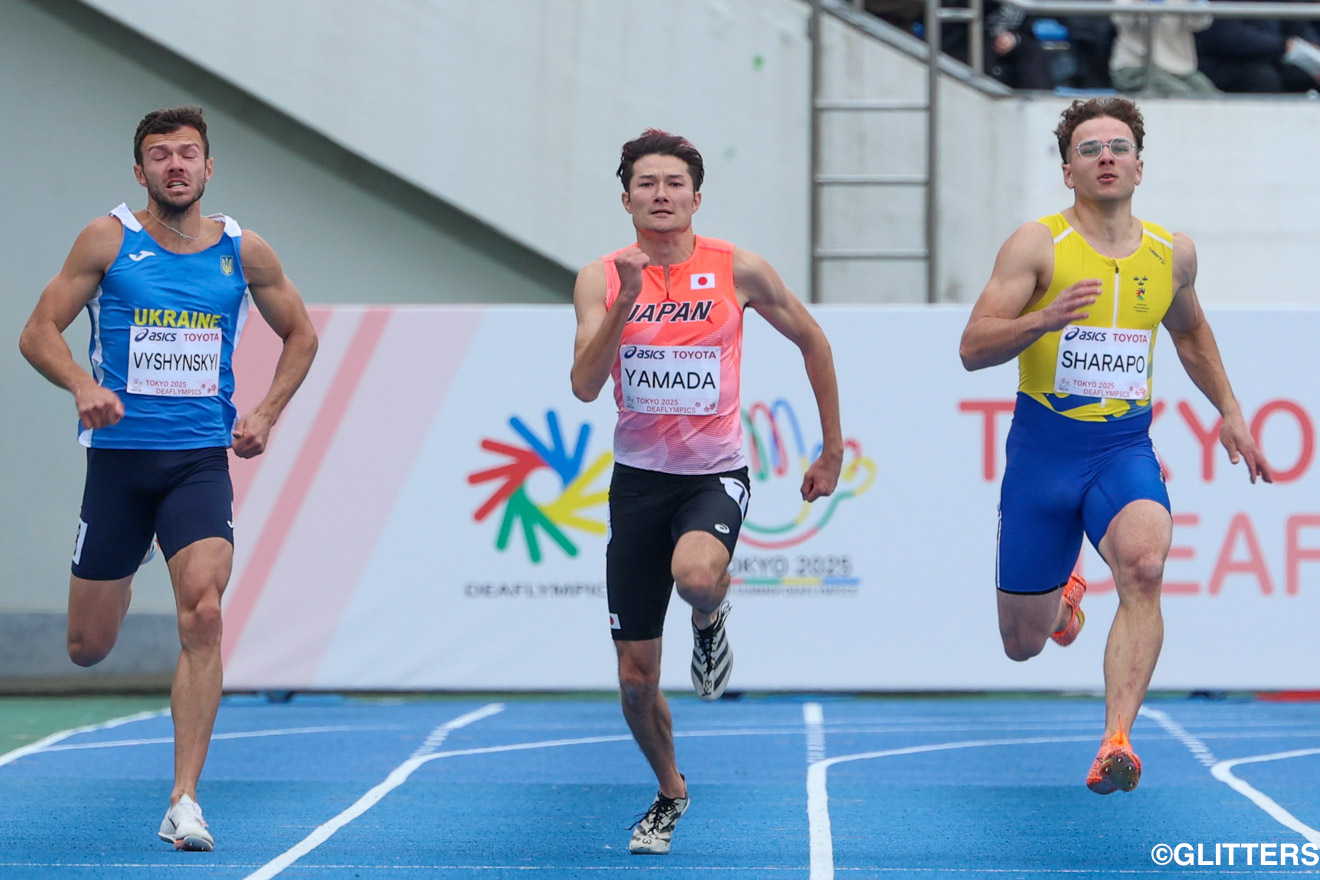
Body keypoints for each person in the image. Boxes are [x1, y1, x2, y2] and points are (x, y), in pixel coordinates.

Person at [19, 106, 318, 851]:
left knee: (205, 613)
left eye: (188, 154)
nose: (176, 166)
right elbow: (37, 331)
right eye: (160, 155)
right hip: (119, 466)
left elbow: (302, 336)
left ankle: (184, 799)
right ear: (141, 170)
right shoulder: (107, 238)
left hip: (197, 462)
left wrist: (267, 412)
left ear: (208, 168)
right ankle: (128, 558)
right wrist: (82, 388)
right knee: (88, 646)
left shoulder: (244, 252)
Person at [958, 97, 1272, 795]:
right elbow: (972, 348)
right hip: (1043, 459)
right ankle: (1067, 596)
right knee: (1023, 644)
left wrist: (1230, 410)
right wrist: (1044, 318)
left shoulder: (1172, 253)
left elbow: (1188, 333)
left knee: (1145, 562)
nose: (1106, 156)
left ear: (1139, 165)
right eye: (1090, 148)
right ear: (1068, 170)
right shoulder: (1036, 245)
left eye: (1119, 146)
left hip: (1123, 450)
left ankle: (1116, 741)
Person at [570, 130, 842, 854]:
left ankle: (710, 616)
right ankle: (669, 792)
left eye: (674, 184)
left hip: (713, 473)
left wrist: (832, 447)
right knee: (634, 681)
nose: (661, 195)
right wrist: (627, 298)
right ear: (625, 196)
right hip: (637, 484)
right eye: (647, 184)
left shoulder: (739, 270)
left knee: (695, 575)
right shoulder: (600, 277)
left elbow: (814, 340)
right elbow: (586, 385)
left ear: (695, 196)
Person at [1109, 0, 1218, 96]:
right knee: (1183, 96)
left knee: (1214, 98)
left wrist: (1195, 3)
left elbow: (1200, 24)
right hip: (1135, 67)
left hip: (1178, 68)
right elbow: (1121, 20)